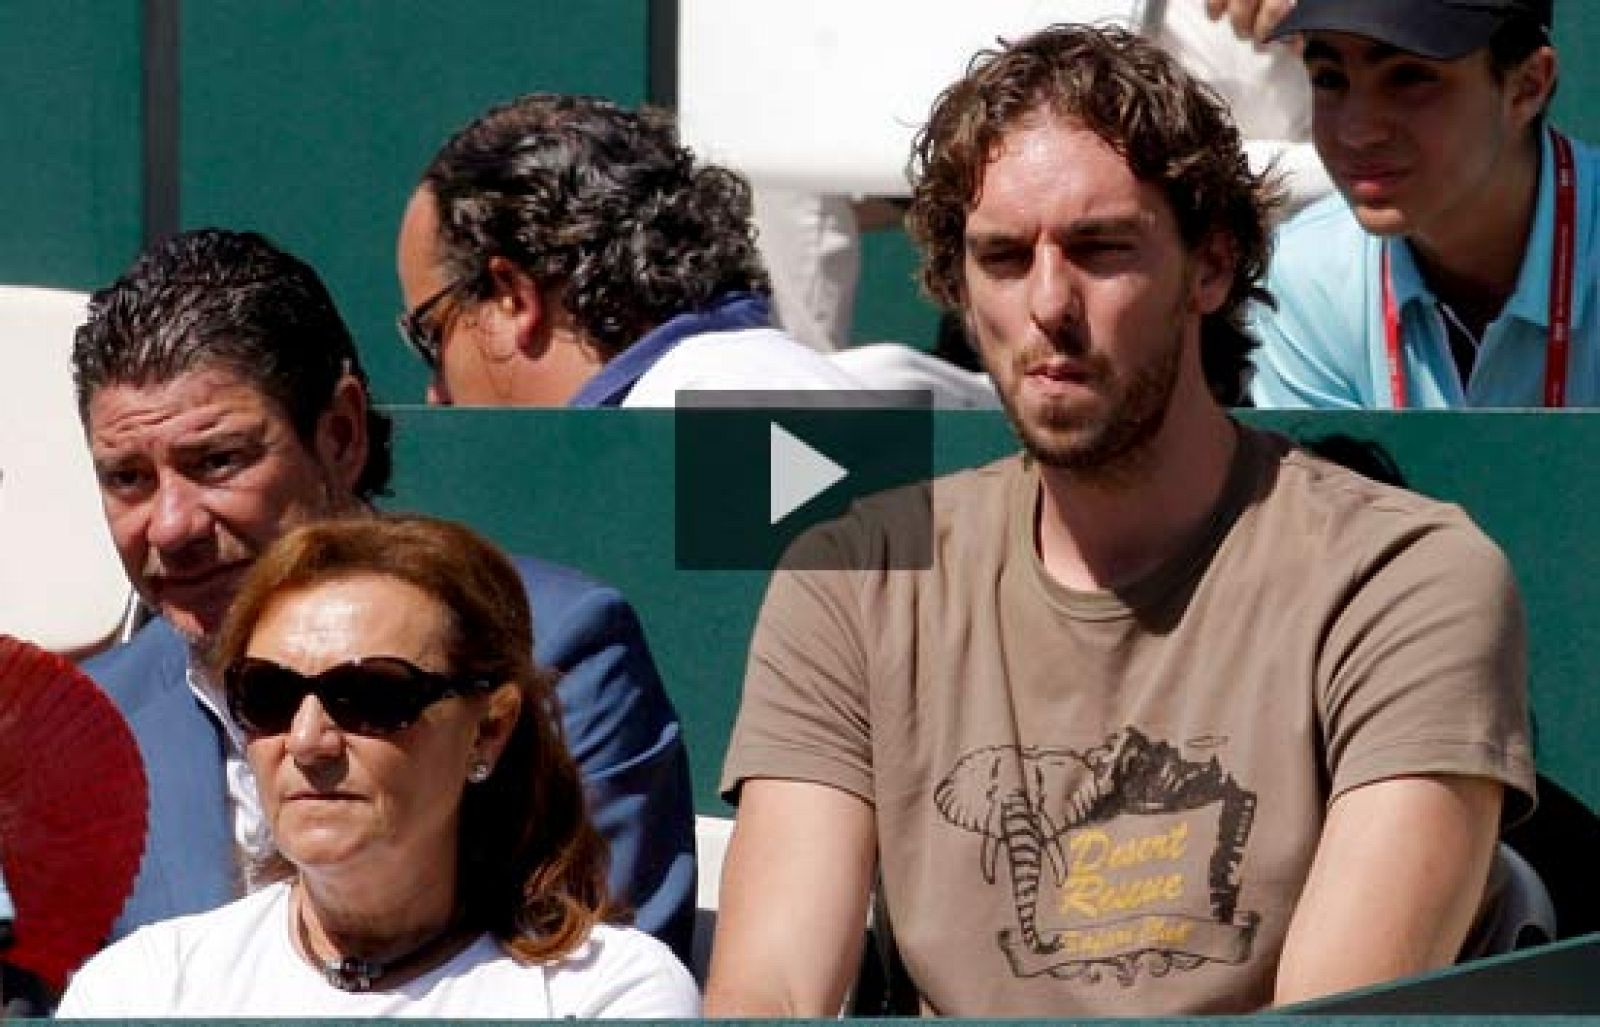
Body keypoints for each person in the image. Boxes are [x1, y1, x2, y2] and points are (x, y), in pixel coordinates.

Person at [706, 23, 1533, 1016]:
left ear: (1212, 266)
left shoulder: (1402, 574)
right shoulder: (855, 573)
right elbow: (771, 995)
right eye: (1002, 259)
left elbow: (1335, 1015)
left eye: (1100, 250)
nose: (1049, 304)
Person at [73, 229, 696, 960]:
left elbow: (598, 976)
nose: (171, 526)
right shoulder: (88, 724)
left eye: (216, 460)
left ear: (340, 433)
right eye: (127, 479)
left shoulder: (553, 650)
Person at [57, 514, 699, 1016]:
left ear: (489, 731)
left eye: (371, 698)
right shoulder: (146, 987)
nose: (308, 740)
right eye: (268, 696)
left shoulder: (605, 993)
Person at [395, 93, 863, 407]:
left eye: (429, 335)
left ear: (511, 296)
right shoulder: (743, 389)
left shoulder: (720, 406)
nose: (435, 393)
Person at [1244, 0, 1597, 408]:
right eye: (1329, 79)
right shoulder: (1301, 276)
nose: (1358, 132)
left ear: (1527, 86)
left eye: (1409, 77)